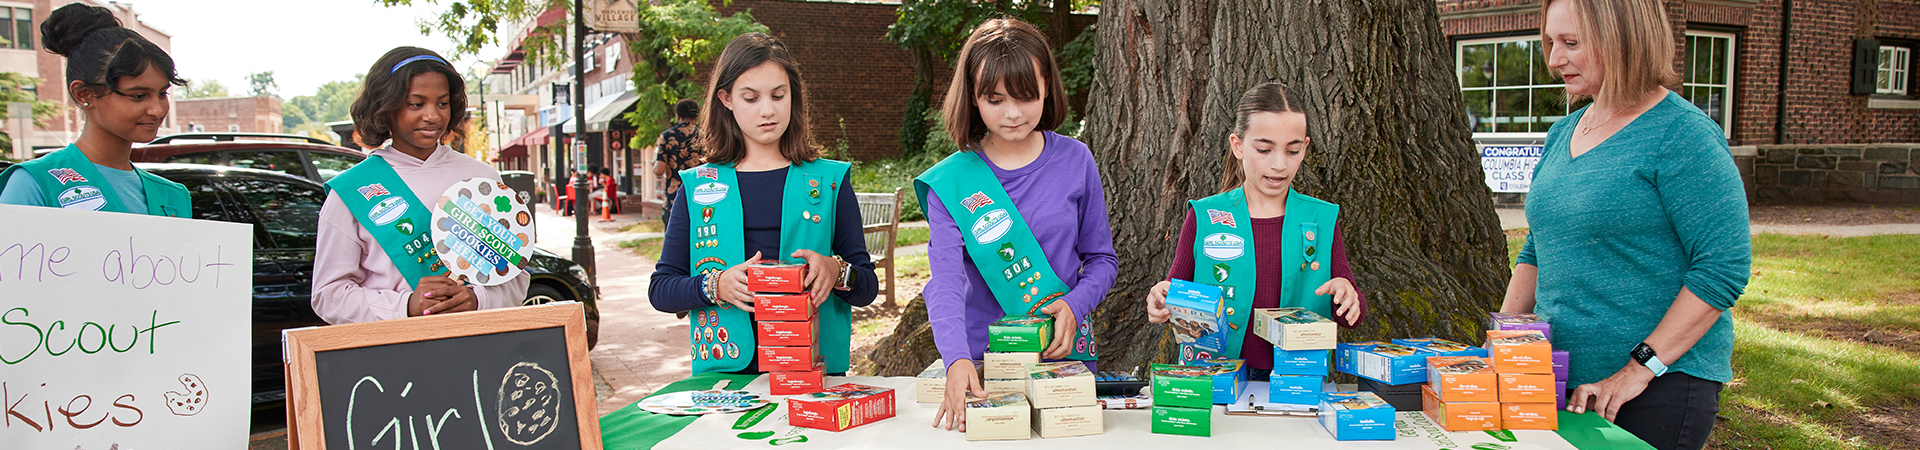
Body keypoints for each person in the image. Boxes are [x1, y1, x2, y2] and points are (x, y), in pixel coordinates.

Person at [1502, 1, 1750, 448]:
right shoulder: (1564, 132)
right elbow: (1538, 249)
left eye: (1571, 43)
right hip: (1556, 379)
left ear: (1622, 37)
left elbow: (1722, 268)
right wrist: (1501, 341)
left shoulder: (1682, 134)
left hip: (1654, 389)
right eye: (1551, 42)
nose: (1555, 59)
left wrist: (1638, 368)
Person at [916, 18, 1117, 432]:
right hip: (983, 364)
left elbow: (1101, 260)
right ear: (973, 97)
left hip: (1063, 357)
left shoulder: (1077, 160)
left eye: (1026, 96)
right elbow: (946, 283)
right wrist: (955, 359)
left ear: (1047, 87)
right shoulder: (949, 183)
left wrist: (1075, 305)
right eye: (995, 98)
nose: (1012, 113)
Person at [647, 33, 879, 375]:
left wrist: (837, 271)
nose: (767, 110)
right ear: (726, 99)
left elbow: (866, 289)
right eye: (751, 98)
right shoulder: (697, 187)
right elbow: (662, 289)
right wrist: (715, 285)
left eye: (778, 95)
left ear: (793, 96)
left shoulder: (830, 182)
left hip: (814, 374)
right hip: (726, 382)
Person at [1141, 82, 1368, 379]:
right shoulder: (1206, 215)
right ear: (1238, 146)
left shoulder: (1321, 218)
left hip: (1296, 379)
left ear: (1305, 149)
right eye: (1264, 149)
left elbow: (1352, 314)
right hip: (1214, 375)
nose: (1278, 164)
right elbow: (1175, 293)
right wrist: (1160, 299)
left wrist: (1347, 295)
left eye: (1292, 151)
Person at [311, 47, 530, 324]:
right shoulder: (352, 190)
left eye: (442, 103)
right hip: (393, 354)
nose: (433, 116)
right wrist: (406, 305)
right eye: (417, 104)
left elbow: (516, 275)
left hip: (473, 345)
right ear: (386, 108)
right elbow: (328, 295)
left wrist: (478, 299)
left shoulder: (482, 178)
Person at [0, 4, 189, 217]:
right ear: (84, 94)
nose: (157, 109)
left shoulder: (174, 195)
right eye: (138, 96)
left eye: (163, 93)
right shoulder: (35, 183)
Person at [654, 98, 703, 228]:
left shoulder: (667, 136)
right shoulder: (706, 136)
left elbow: (659, 170)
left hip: (674, 197)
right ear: (697, 116)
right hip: (702, 197)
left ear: (677, 116)